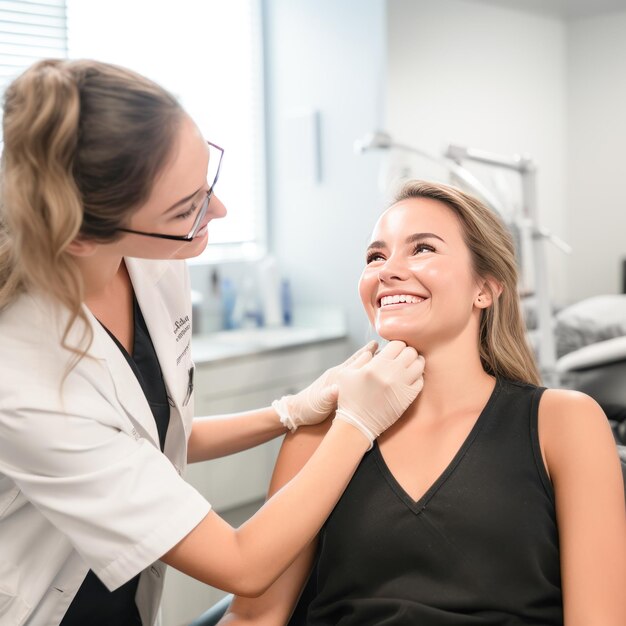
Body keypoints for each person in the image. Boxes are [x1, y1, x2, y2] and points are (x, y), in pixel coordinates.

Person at [0, 58, 426, 626]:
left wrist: (288, 413)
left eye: (207, 183)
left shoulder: (155, 258)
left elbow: (150, 437)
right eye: (188, 208)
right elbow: (243, 568)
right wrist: (355, 428)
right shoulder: (22, 375)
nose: (217, 211)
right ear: (82, 236)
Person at [218, 180, 626, 625]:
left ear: (485, 289)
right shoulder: (318, 434)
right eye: (376, 256)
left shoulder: (565, 422)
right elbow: (255, 618)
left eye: (422, 249)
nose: (387, 271)